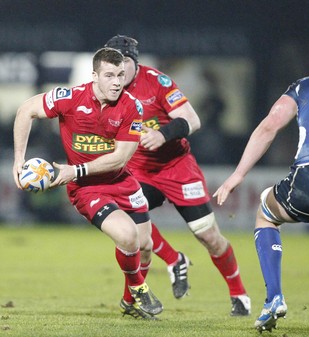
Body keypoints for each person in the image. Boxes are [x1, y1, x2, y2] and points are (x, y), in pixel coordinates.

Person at [104, 35, 251, 316]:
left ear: (135, 62)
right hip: (139, 170)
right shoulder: (104, 88)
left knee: (208, 236)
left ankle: (239, 294)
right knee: (133, 235)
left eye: (123, 64)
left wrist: (162, 134)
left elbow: (193, 119)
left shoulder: (157, 82)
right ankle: (133, 299)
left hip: (177, 168)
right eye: (112, 65)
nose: (118, 73)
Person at [13, 47, 162, 320]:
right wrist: (18, 159)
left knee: (145, 246)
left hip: (122, 182)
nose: (117, 82)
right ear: (94, 76)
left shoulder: (132, 106)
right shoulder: (69, 98)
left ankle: (130, 302)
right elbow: (26, 110)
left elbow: (120, 158)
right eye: (109, 75)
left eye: (120, 75)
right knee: (127, 236)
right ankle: (139, 287)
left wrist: (75, 169)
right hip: (87, 188)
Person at [214, 74, 309, 331]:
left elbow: (269, 126)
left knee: (266, 213)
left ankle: (274, 298)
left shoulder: (306, 86)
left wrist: (237, 176)